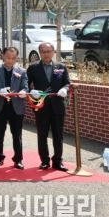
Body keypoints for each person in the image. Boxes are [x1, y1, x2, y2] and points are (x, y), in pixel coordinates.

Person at [27, 42, 71, 171]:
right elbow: (25, 84)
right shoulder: (33, 67)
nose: (46, 54)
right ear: (40, 53)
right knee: (42, 135)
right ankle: (44, 161)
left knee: (58, 135)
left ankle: (57, 161)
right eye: (43, 52)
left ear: (53, 52)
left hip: (58, 106)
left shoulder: (61, 66)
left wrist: (65, 89)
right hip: (41, 106)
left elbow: (67, 83)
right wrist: (31, 92)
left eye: (48, 51)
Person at [0, 46, 28, 170]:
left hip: (16, 107)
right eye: (8, 57)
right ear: (2, 56)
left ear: (16, 58)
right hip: (0, 106)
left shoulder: (22, 71)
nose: (10, 60)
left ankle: (18, 159)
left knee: (17, 135)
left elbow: (25, 86)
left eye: (13, 58)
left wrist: (23, 91)